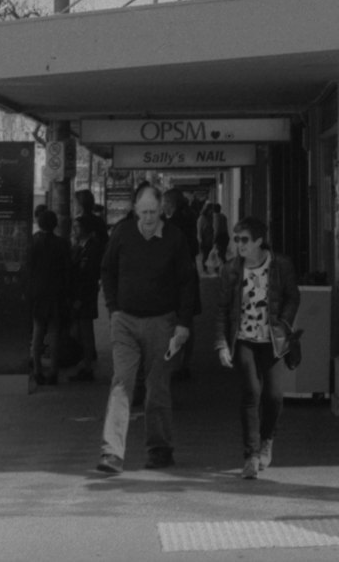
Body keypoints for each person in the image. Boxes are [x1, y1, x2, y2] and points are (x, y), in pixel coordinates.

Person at [95, 182, 196, 475]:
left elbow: (188, 282)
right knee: (122, 384)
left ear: (161, 209)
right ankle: (111, 453)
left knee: (157, 388)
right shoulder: (122, 234)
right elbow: (107, 269)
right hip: (125, 321)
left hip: (162, 322)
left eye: (153, 212)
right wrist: (113, 309)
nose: (149, 218)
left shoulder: (175, 238)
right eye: (144, 212)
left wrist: (183, 324)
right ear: (135, 210)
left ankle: (160, 449)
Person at [214, 215, 300, 479]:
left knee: (274, 396)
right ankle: (251, 455)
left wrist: (284, 324)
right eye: (236, 239)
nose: (239, 245)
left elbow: (292, 297)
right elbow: (223, 309)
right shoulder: (230, 269)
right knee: (251, 392)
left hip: (272, 340)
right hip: (244, 340)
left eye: (244, 240)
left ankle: (267, 440)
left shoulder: (280, 266)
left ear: (259, 241)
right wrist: (221, 345)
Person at [27, 208, 70, 386]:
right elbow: (67, 270)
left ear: (39, 223)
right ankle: (53, 371)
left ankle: (37, 369)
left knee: (37, 331)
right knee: (54, 333)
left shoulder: (33, 243)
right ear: (55, 224)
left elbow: (28, 268)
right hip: (56, 292)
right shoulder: (62, 244)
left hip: (38, 293)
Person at [162, 188, 199, 381]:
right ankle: (185, 363)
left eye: (164, 202)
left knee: (177, 319)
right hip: (189, 272)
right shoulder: (189, 217)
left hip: (176, 276)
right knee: (187, 318)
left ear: (171, 203)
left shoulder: (174, 223)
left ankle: (177, 363)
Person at [68, 212, 106, 382]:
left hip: (84, 295)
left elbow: (87, 275)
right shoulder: (84, 246)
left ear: (86, 229)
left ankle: (87, 365)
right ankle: (85, 362)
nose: (74, 230)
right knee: (82, 330)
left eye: (77, 227)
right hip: (83, 294)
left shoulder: (91, 249)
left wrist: (79, 298)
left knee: (85, 331)